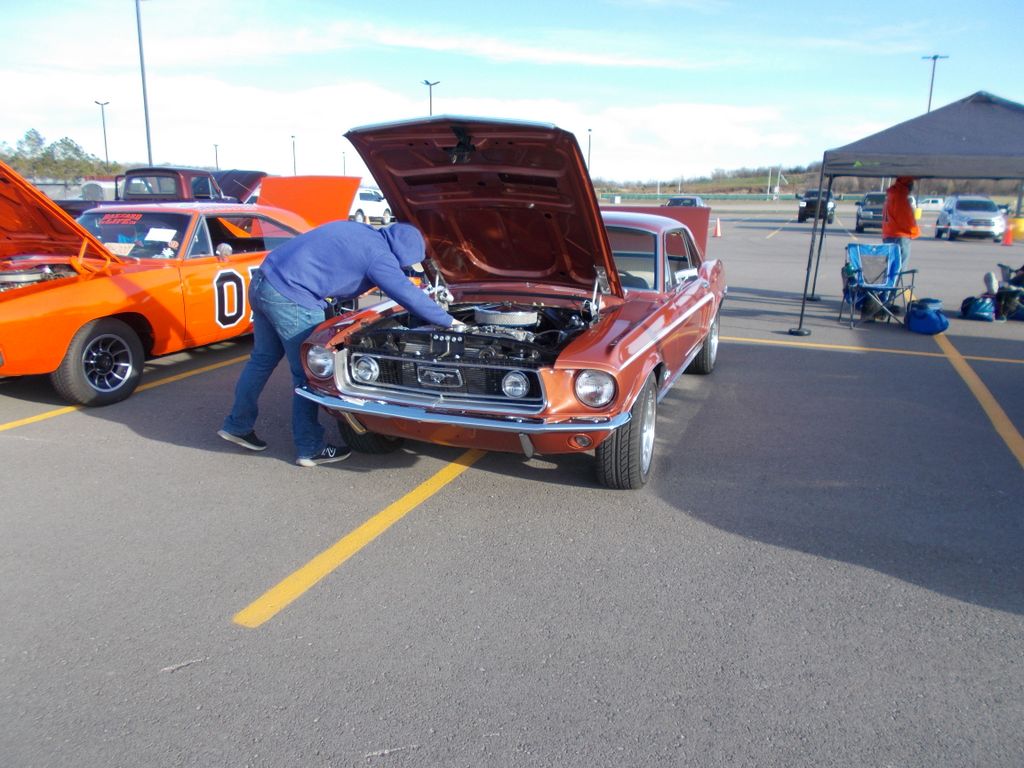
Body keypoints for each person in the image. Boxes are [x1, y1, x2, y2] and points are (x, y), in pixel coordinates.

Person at [218, 221, 459, 467]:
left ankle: (237, 425)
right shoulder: (379, 257)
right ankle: (310, 448)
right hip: (293, 296)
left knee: (262, 359)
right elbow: (407, 295)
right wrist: (449, 322)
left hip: (263, 281)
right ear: (405, 253)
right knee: (310, 373)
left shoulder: (361, 231)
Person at [882, 176, 920, 267]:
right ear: (907, 184)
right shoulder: (900, 197)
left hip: (889, 235)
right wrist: (915, 231)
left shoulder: (891, 195)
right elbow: (905, 220)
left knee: (890, 267)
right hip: (900, 237)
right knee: (899, 268)